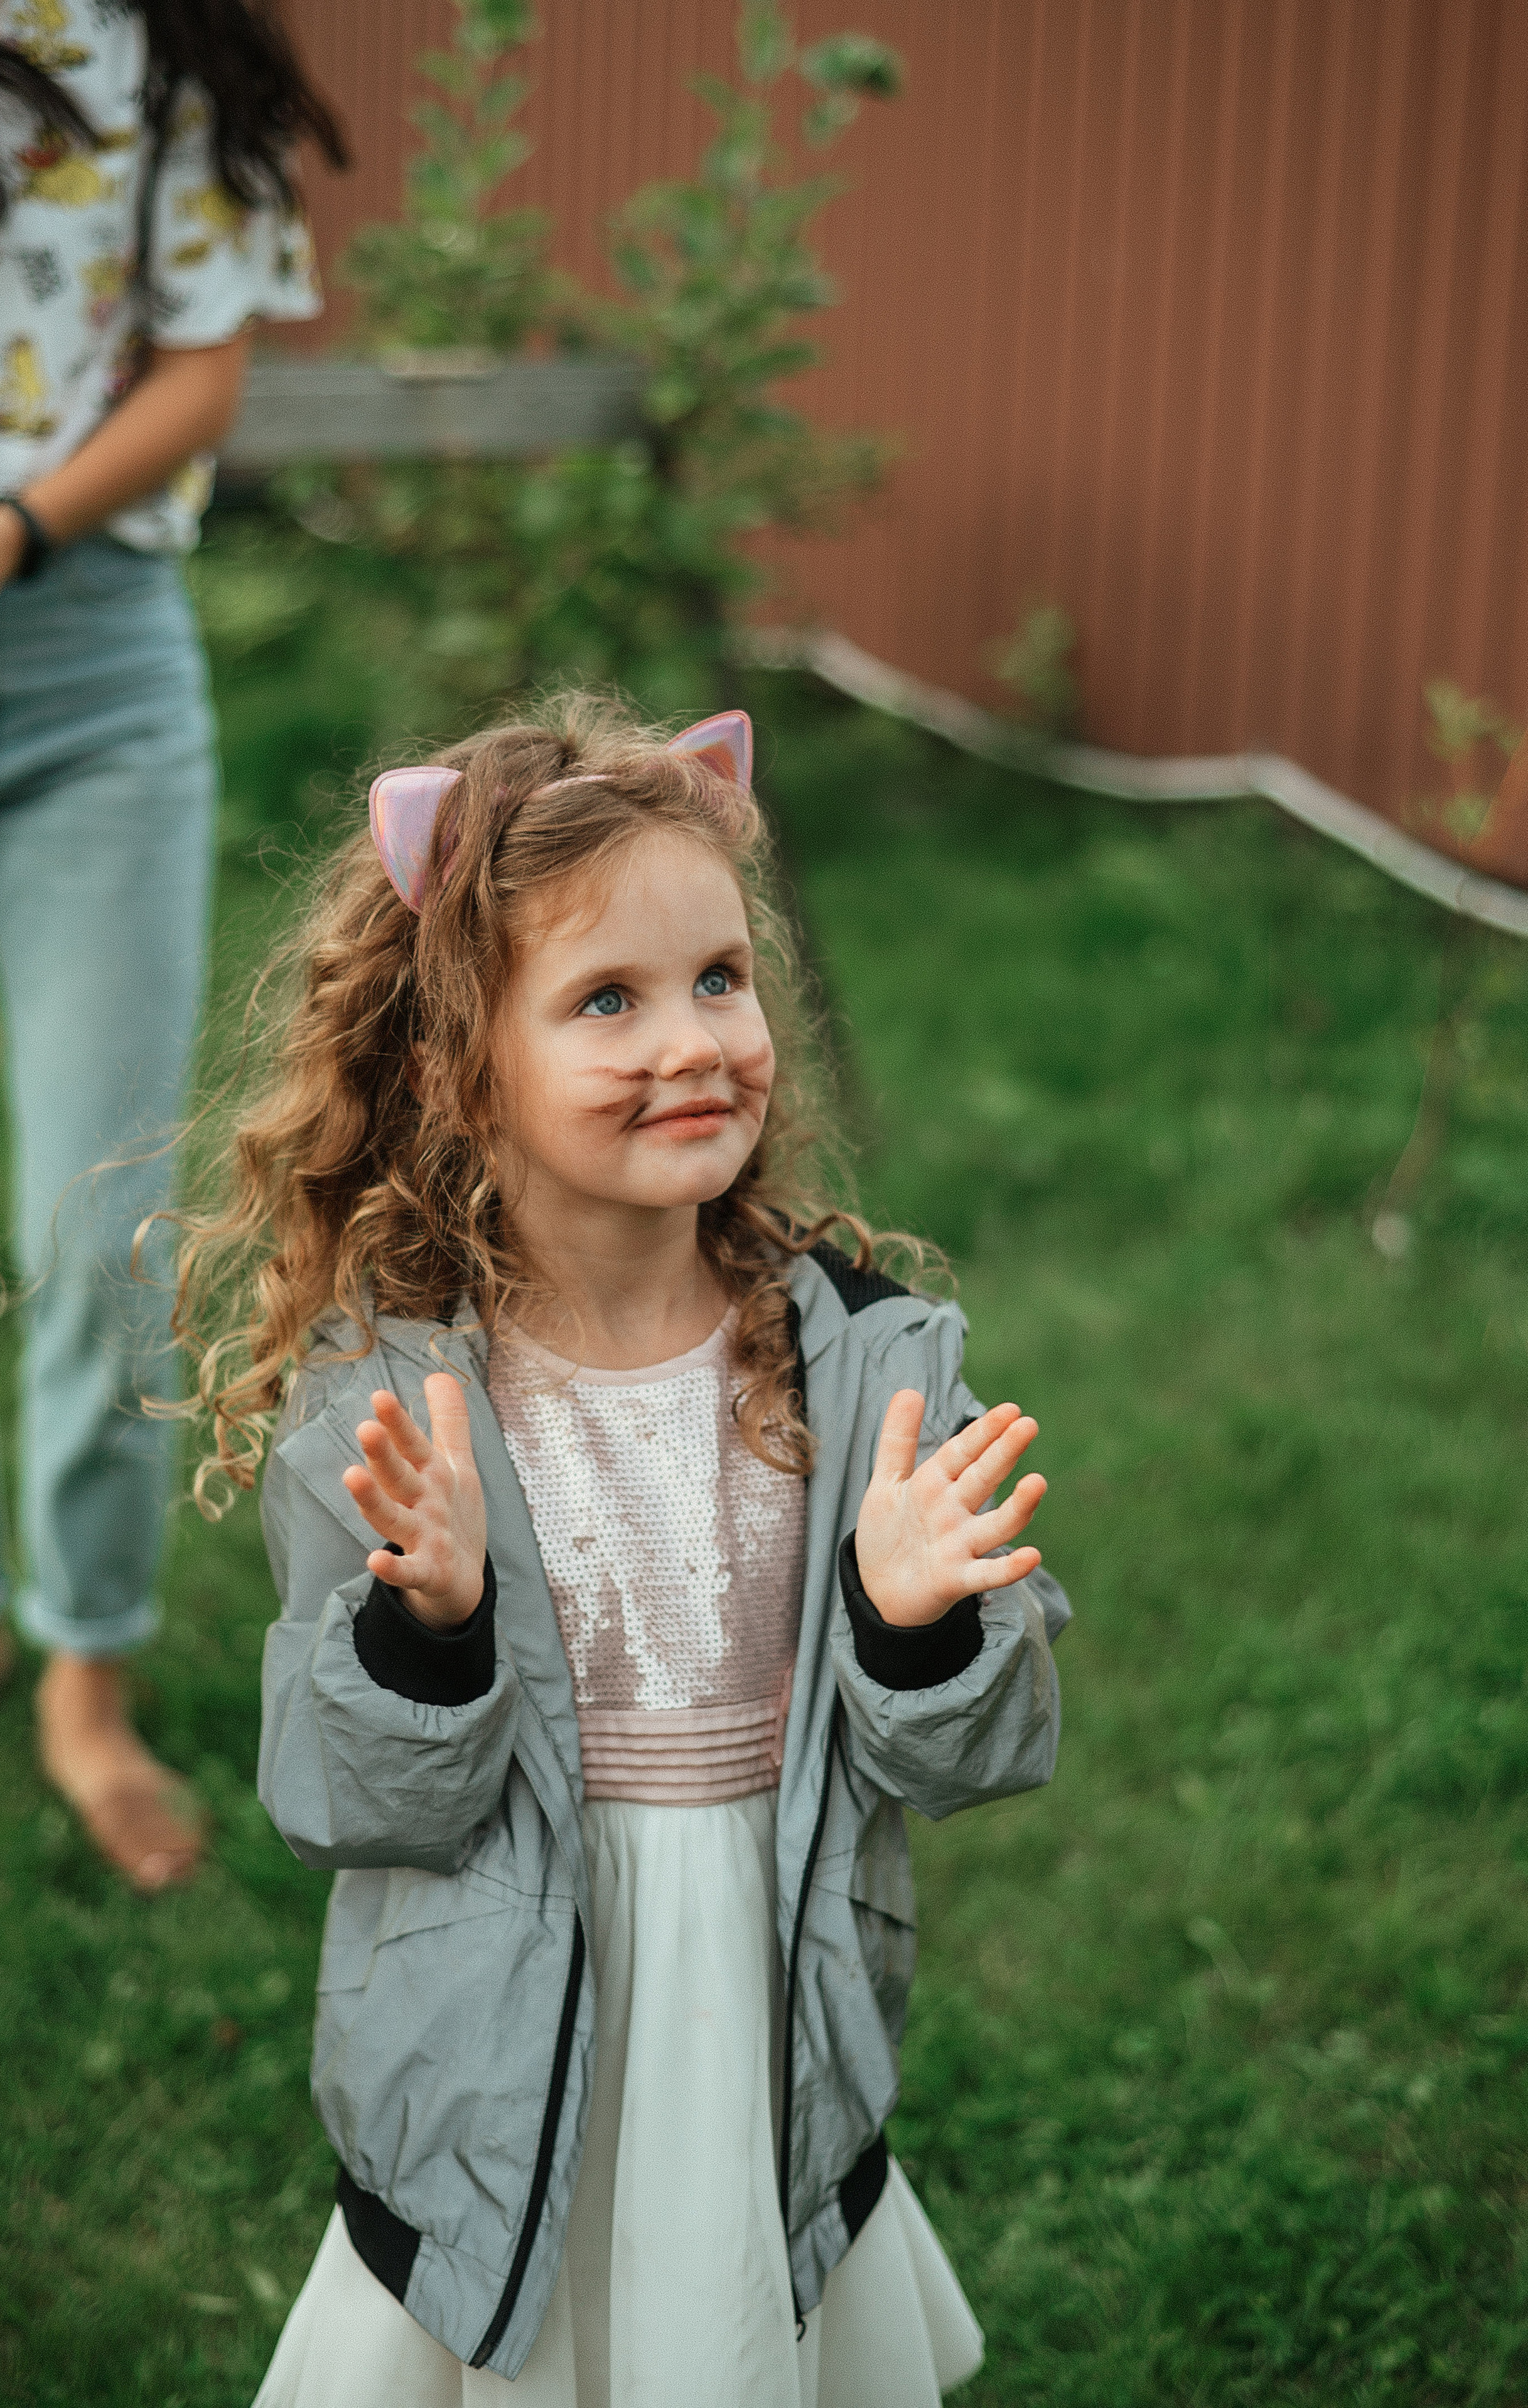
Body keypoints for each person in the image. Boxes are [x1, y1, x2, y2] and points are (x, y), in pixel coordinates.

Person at [171, 694, 1073, 2406]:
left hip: (761, 2009)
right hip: (510, 2046)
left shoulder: (867, 1361)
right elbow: (343, 1796)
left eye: (721, 979)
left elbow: (984, 1751)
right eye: (609, 999)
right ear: (457, 1066)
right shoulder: (398, 1398)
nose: (697, 1040)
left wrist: (916, 1625)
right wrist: (426, 1628)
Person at [0, 0, 343, 1889]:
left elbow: (201, 372)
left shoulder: (165, 44)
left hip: (92, 655)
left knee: (96, 1232)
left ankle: (88, 1673)